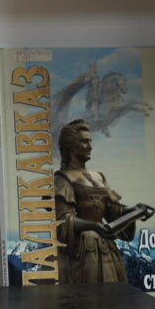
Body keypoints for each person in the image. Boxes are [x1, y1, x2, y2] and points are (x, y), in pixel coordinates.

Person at [55, 119, 142, 283]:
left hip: (107, 250)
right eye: (84, 141)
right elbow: (64, 221)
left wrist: (134, 211)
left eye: (90, 141)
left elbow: (112, 212)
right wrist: (94, 226)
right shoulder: (62, 179)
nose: (90, 146)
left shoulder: (99, 177)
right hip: (82, 254)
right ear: (71, 146)